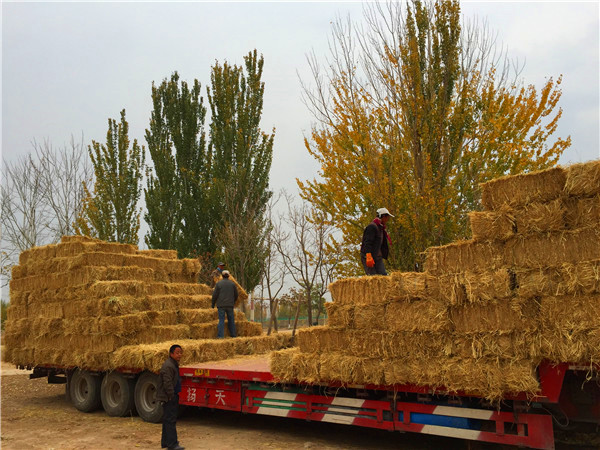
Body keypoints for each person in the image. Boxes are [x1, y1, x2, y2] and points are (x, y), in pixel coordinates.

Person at [157, 344, 184, 450]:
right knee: (170, 420)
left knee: (167, 420)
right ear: (171, 354)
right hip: (169, 397)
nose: (179, 355)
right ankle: (173, 444)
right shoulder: (168, 365)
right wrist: (171, 395)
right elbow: (167, 382)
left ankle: (166, 442)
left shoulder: (173, 364)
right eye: (177, 353)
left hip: (171, 396)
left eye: (180, 352)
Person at [360, 207, 394, 276]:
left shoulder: (381, 228)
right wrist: (368, 255)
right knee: (373, 277)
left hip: (377, 256)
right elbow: (367, 242)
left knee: (384, 276)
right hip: (368, 256)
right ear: (383, 216)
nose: (388, 220)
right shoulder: (372, 227)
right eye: (387, 217)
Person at [211, 270, 238, 338]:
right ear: (229, 276)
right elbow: (236, 295)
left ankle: (220, 336)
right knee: (231, 320)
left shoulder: (218, 284)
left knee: (221, 320)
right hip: (230, 305)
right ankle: (233, 335)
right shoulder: (232, 284)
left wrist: (213, 304)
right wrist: (233, 301)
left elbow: (215, 295)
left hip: (221, 305)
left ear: (222, 276)